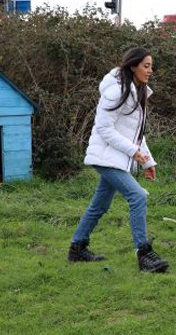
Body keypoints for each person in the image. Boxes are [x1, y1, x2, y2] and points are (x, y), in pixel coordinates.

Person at [67, 47, 169, 273]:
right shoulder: (116, 92)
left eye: (151, 66)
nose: (150, 70)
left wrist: (147, 162)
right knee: (138, 195)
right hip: (105, 157)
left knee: (100, 204)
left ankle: (77, 247)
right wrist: (133, 152)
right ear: (133, 66)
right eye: (146, 65)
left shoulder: (139, 91)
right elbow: (104, 128)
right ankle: (144, 255)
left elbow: (135, 134)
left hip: (116, 158)